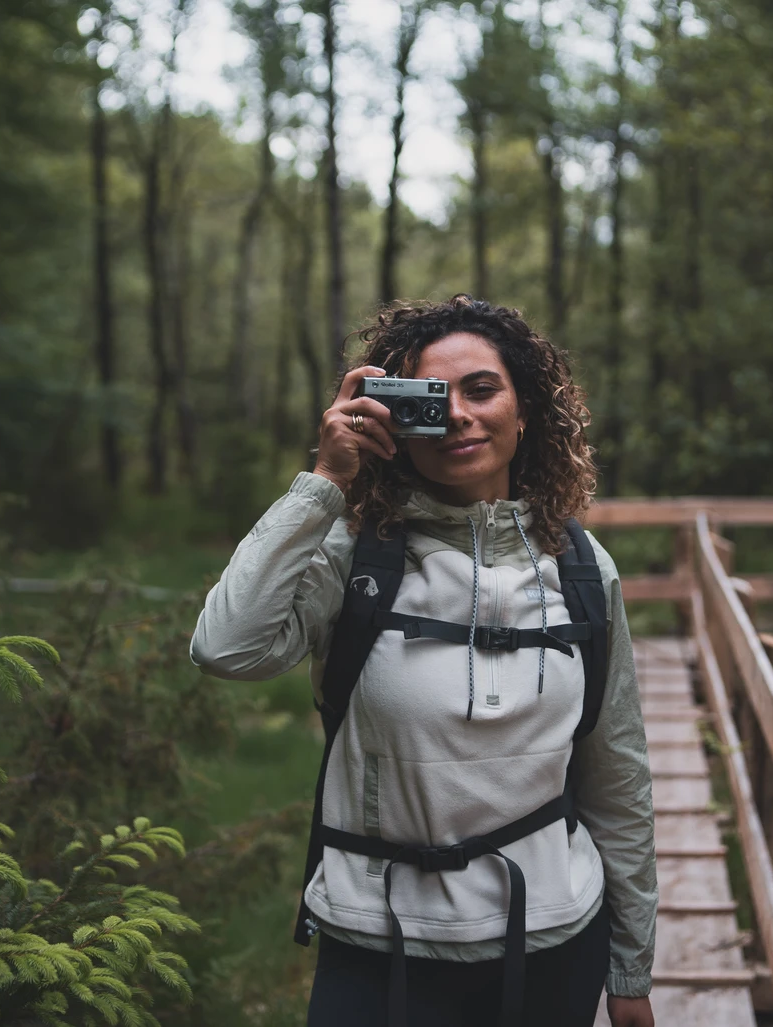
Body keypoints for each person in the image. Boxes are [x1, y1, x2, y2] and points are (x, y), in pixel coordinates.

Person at [190, 296, 657, 1027]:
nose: (461, 416)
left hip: (552, 939)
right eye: (431, 400)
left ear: (525, 409)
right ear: (393, 423)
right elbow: (225, 646)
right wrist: (324, 481)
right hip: (377, 943)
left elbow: (616, 773)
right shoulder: (356, 554)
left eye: (482, 389)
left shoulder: (582, 570)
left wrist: (630, 968)